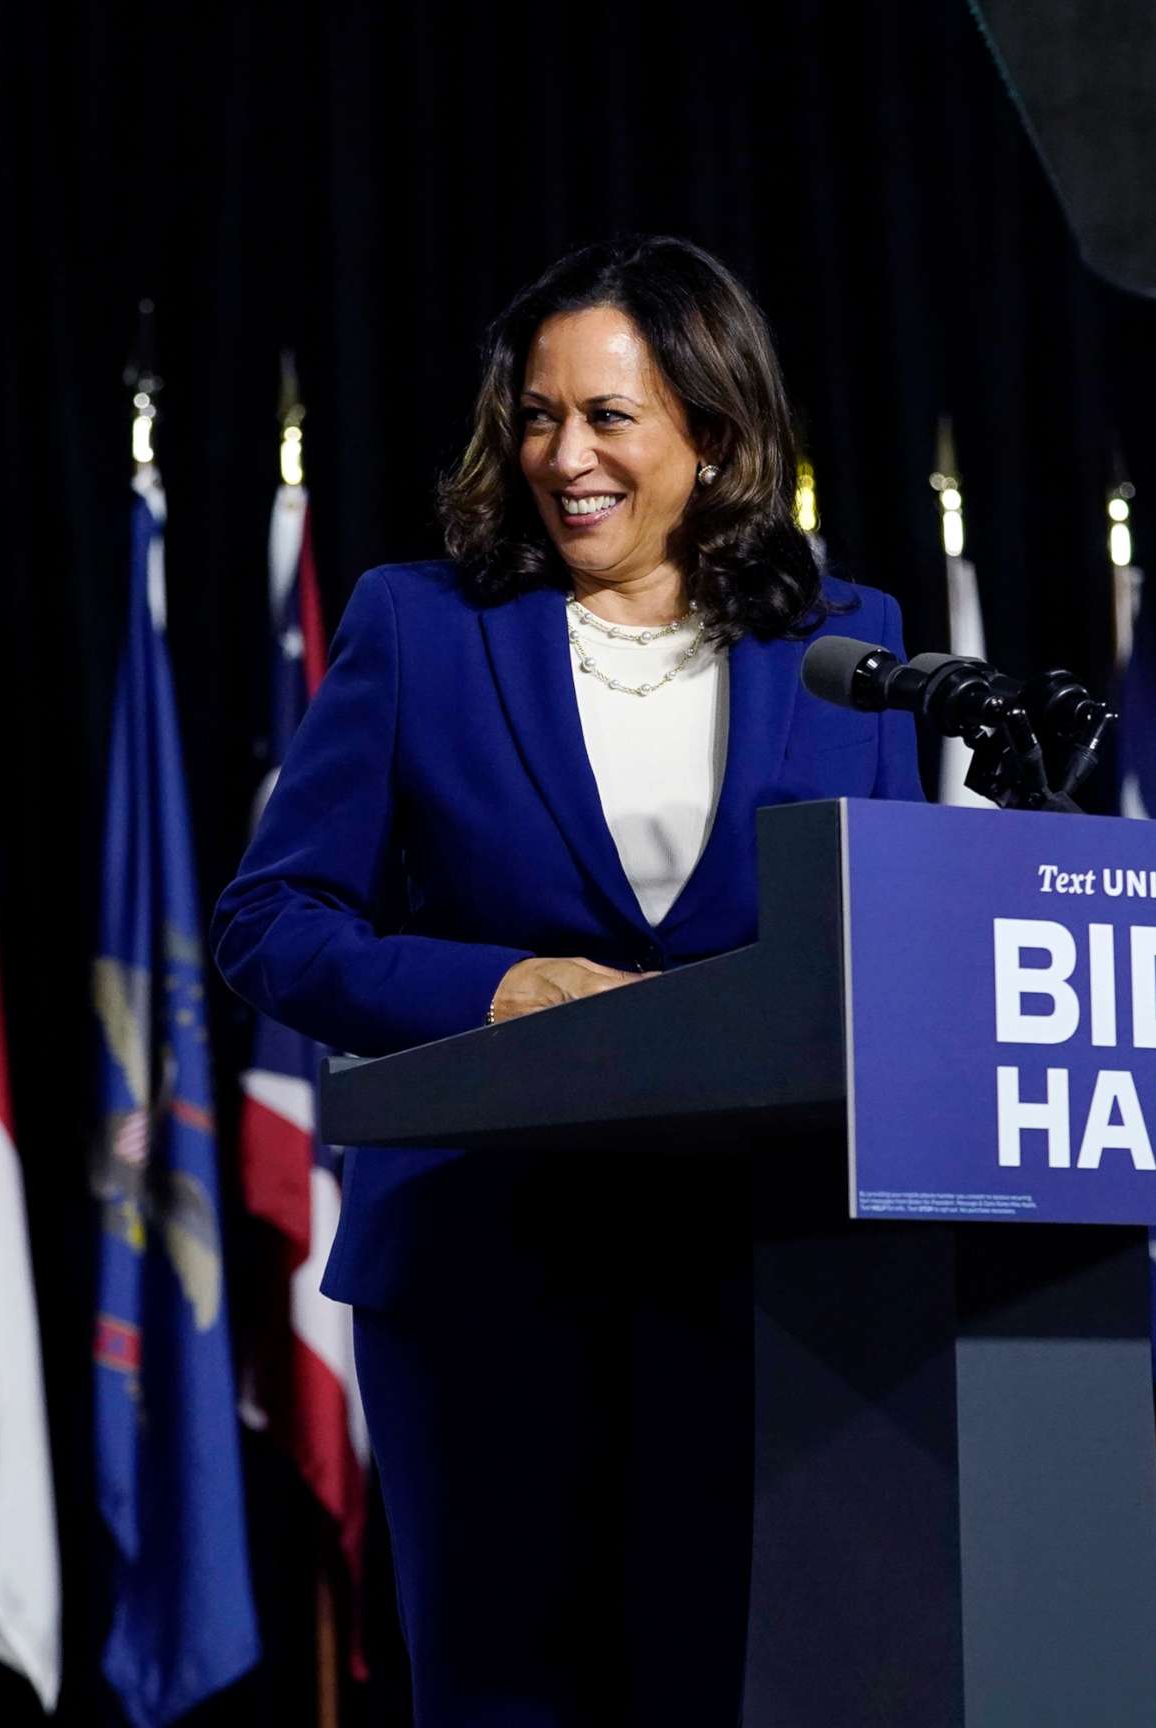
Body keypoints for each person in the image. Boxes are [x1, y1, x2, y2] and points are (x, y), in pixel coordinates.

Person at [210, 235, 925, 1723]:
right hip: (485, 1268)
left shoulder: (847, 648)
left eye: (610, 416)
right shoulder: (424, 625)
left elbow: (893, 943)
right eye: (537, 415)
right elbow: (271, 922)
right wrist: (496, 993)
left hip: (761, 1282)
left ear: (714, 436)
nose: (562, 455)